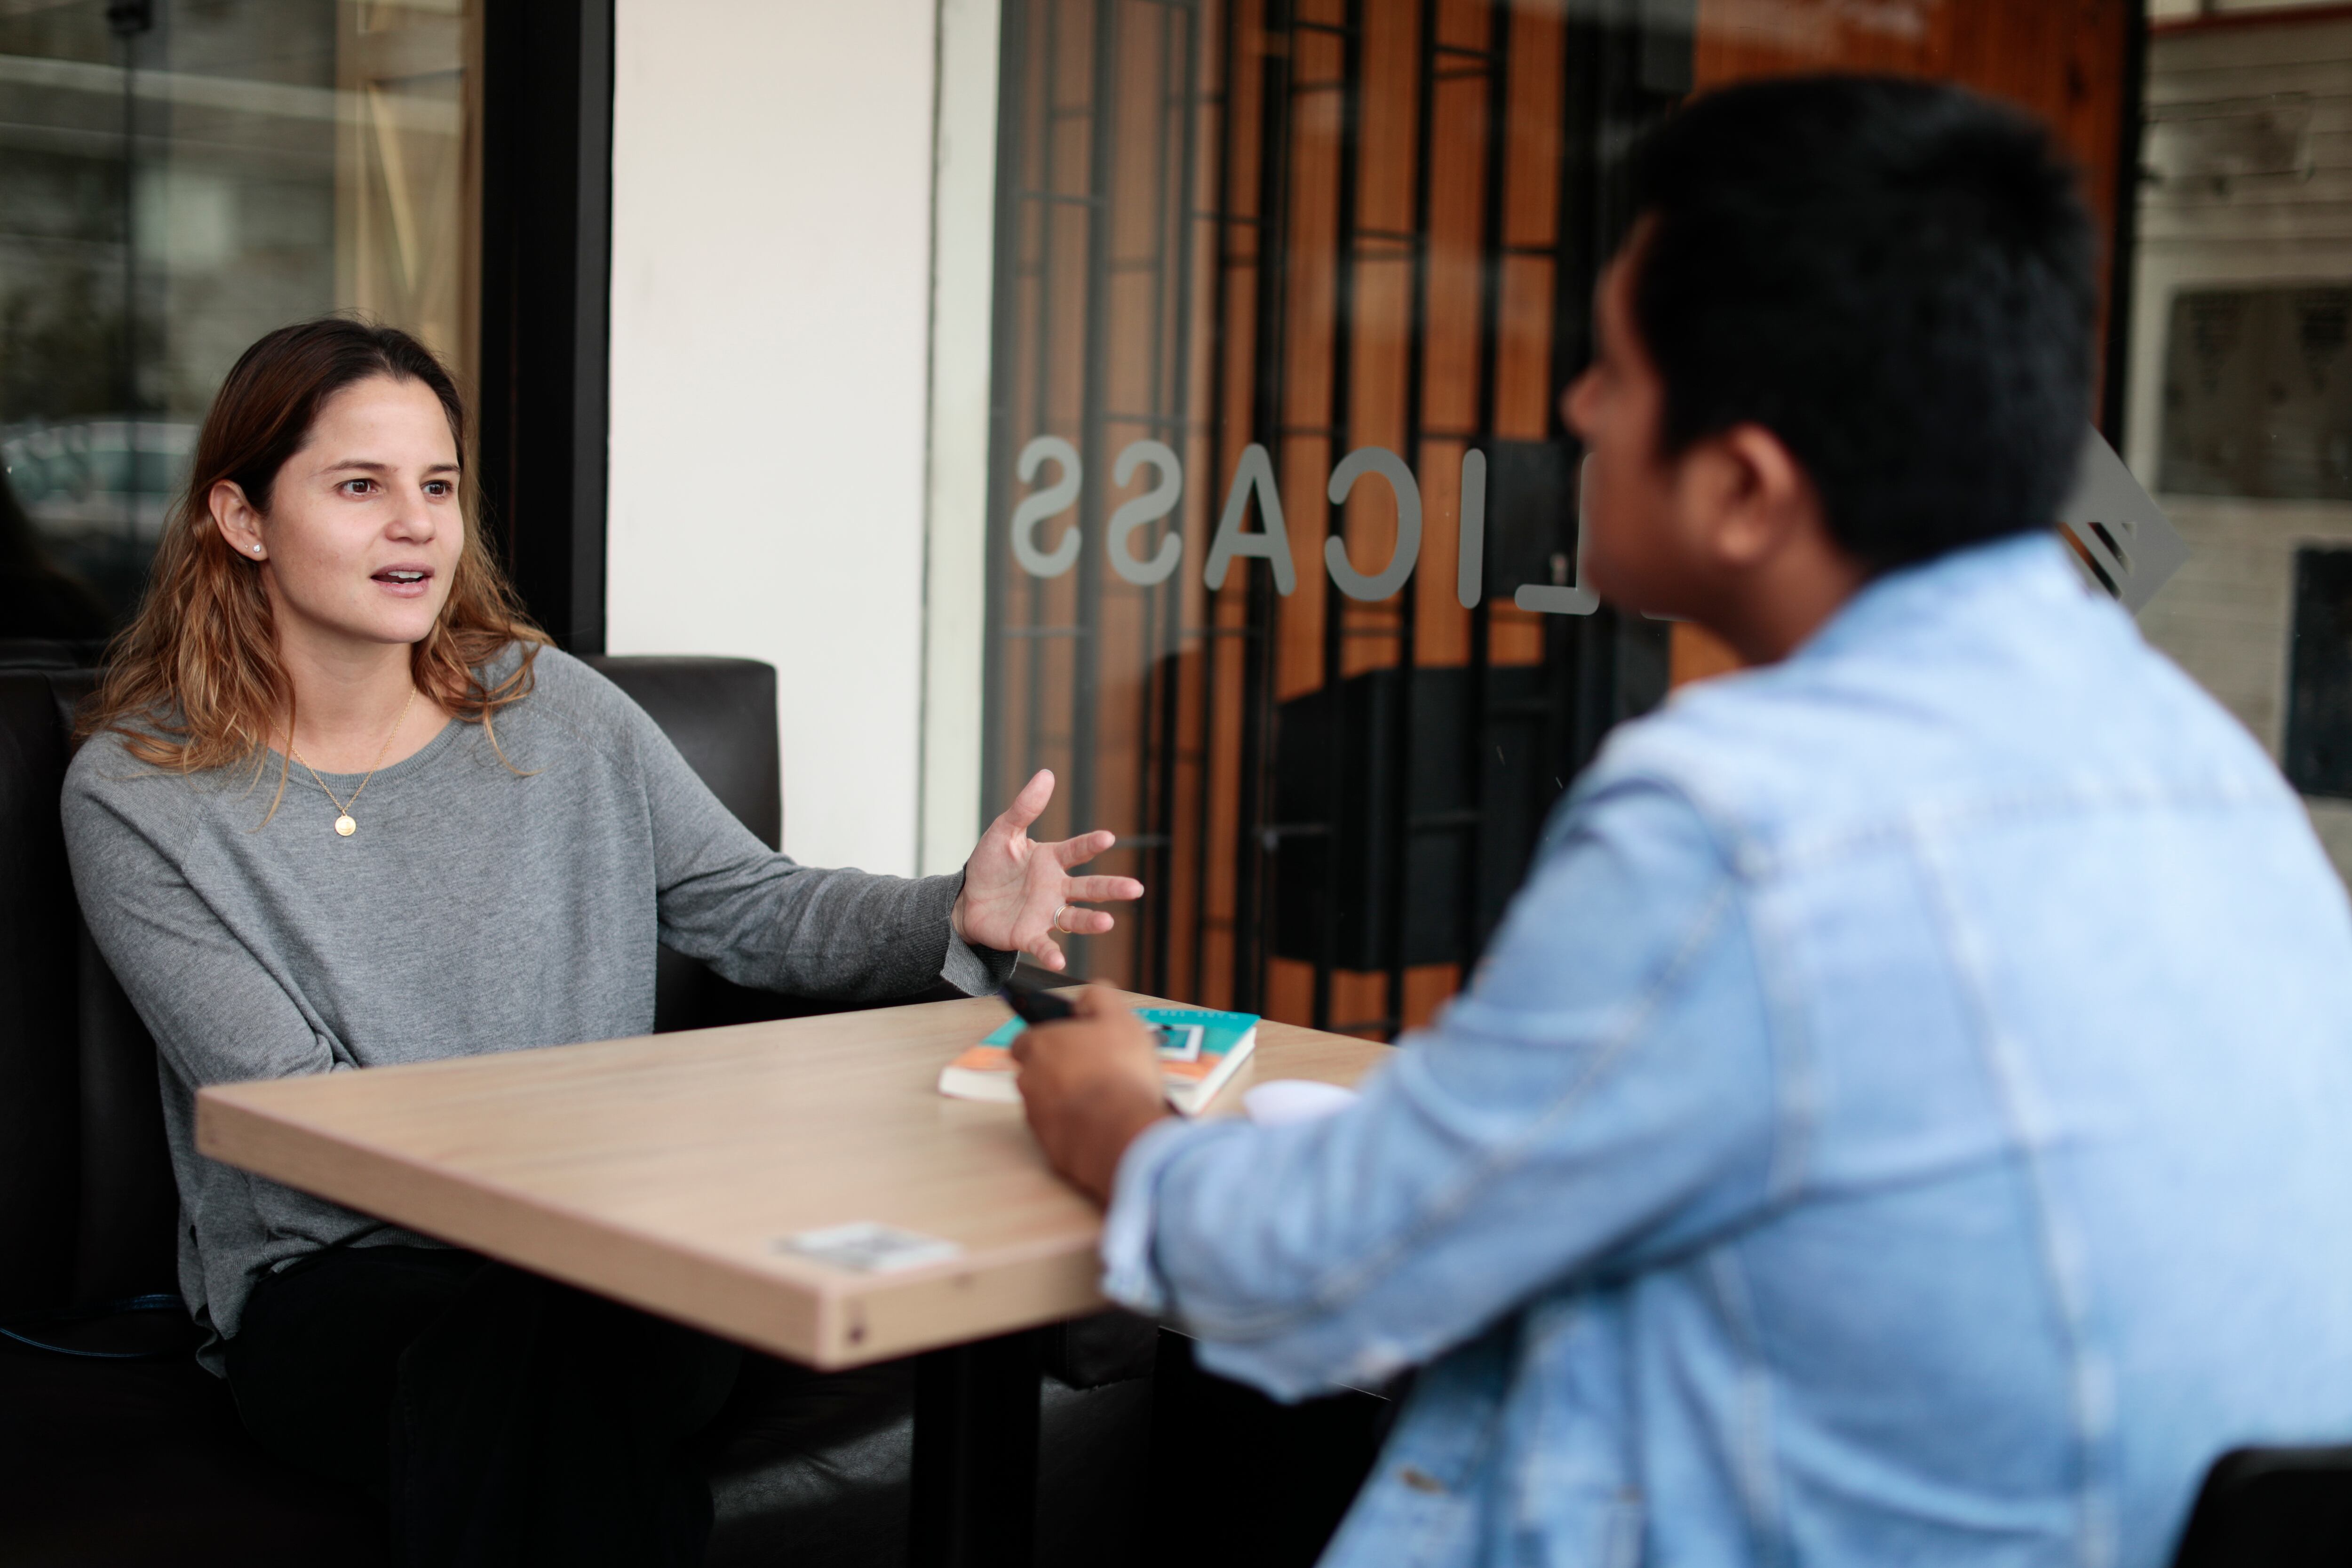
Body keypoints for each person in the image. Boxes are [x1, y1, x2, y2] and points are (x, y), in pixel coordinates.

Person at [1009, 75, 2352, 1568]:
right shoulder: (2206, 765)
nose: (1574, 406)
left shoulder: (1745, 816)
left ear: (1743, 486)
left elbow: (1337, 1265)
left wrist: (1117, 1124)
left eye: (1615, 371)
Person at [62, 316, 1140, 1567]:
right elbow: (304, 1120)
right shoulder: (143, 794)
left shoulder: (550, 706)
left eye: (439, 486)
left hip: (622, 1248)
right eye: (360, 486)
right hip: (337, 1289)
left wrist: (955, 909)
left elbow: (756, 907)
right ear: (242, 519)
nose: (415, 523)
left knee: (586, 1326)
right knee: (549, 1349)